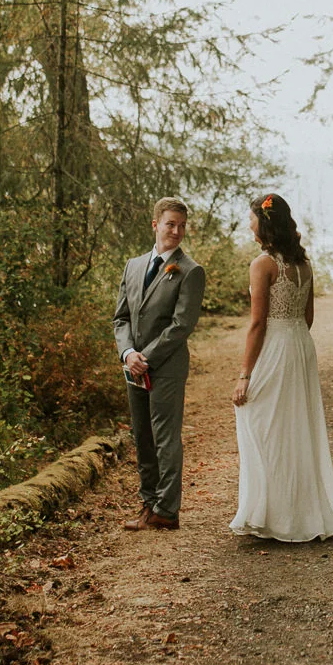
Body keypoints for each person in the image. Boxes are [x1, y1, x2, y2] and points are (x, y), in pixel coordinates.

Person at [229, 193, 333, 542]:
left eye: (251, 218)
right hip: (300, 345)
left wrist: (244, 375)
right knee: (295, 426)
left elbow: (257, 324)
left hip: (277, 345)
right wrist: (292, 340)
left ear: (263, 222)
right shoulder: (303, 264)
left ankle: (269, 514)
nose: (248, 223)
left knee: (257, 419)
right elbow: (308, 318)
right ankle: (292, 512)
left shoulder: (263, 264)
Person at [113, 197, 206, 531]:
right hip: (134, 367)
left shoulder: (190, 271)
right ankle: (148, 503)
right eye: (170, 224)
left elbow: (181, 326)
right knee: (142, 436)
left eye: (182, 226)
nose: (177, 231)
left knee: (165, 437)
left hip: (165, 367)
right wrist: (128, 355)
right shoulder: (133, 266)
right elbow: (121, 318)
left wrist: (146, 357)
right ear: (155, 225)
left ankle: (166, 509)